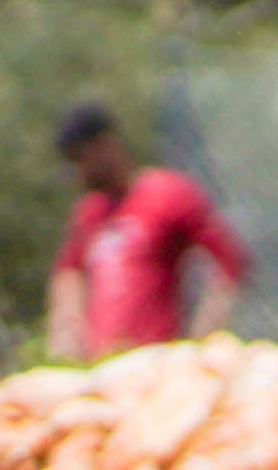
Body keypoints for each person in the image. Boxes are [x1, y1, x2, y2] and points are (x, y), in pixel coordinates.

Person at [49, 105, 247, 357]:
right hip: (104, 365)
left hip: (154, 360)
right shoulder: (90, 213)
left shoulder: (169, 194)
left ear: (105, 146)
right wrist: (68, 328)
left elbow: (230, 261)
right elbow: (68, 272)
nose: (79, 172)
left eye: (81, 159)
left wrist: (202, 337)